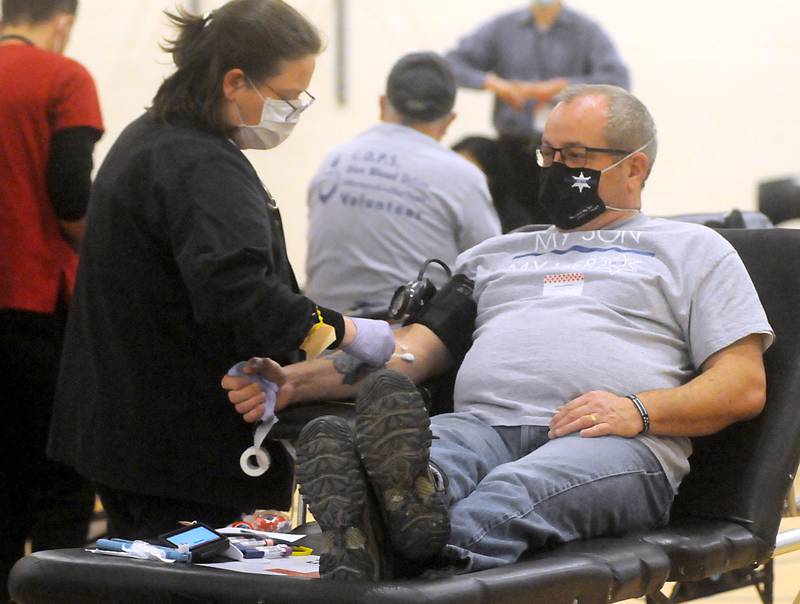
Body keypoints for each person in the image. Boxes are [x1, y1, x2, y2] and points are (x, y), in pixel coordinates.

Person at [222, 84, 774, 581]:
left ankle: (400, 554)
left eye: (576, 156)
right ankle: (404, 517)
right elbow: (410, 353)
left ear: (636, 168)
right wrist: (294, 382)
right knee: (422, 467)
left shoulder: (694, 250)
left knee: (510, 495)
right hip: (480, 428)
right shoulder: (493, 256)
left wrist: (641, 410)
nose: (557, 168)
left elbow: (743, 384)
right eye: (549, 154)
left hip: (612, 443)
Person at [47, 0, 394, 543]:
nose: (295, 110)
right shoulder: (200, 164)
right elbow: (241, 294)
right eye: (286, 96)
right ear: (235, 81)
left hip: (128, 432)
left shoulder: (152, 138)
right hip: (176, 446)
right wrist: (347, 331)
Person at [0, 0, 103, 597]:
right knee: (61, 478)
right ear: (62, 20)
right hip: (38, 306)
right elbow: (71, 197)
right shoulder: (65, 77)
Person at [305, 52, 500, 317]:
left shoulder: (334, 160)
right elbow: (491, 272)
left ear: (382, 104)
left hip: (320, 332)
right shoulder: (463, 177)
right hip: (406, 342)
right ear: (450, 120)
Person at [446, 0, 631, 224]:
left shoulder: (586, 31)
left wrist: (561, 88)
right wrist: (495, 84)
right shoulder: (502, 28)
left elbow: (618, 80)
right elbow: (452, 63)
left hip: (567, 156)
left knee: (563, 222)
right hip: (512, 147)